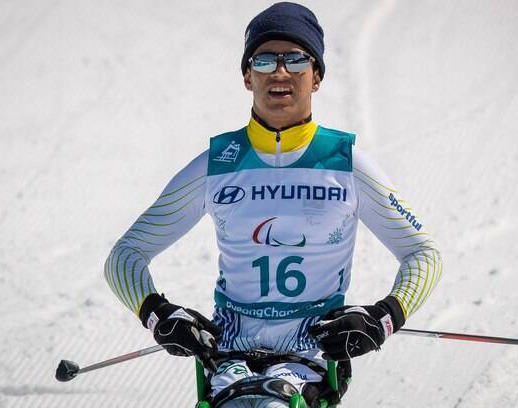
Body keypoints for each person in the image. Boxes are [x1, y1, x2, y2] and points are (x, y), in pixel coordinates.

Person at [104, 2, 442, 407]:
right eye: (264, 60)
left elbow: (423, 253)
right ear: (247, 77)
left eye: (296, 59)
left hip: (310, 356)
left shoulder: (345, 163)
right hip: (229, 355)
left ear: (316, 76)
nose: (280, 72)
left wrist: (384, 317)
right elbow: (124, 256)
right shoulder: (217, 164)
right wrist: (158, 313)